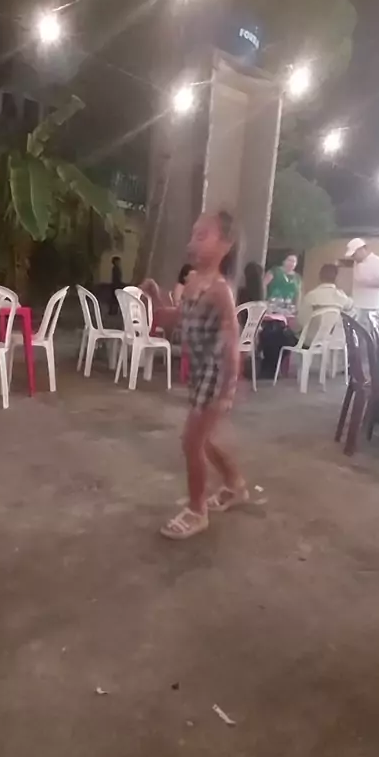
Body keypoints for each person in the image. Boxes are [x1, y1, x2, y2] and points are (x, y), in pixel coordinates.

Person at [161, 210, 247, 540]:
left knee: (191, 442)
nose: (191, 243)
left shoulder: (220, 291)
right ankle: (235, 485)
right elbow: (179, 319)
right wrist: (154, 300)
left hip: (216, 375)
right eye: (192, 235)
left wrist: (227, 390)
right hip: (199, 373)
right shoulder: (194, 281)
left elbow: (231, 344)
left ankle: (197, 510)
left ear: (225, 244)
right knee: (205, 439)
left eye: (201, 236)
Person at [344, 238, 379, 324]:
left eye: (354, 254)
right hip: (357, 304)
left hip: (370, 306)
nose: (353, 257)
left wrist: (365, 281)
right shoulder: (356, 263)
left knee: (367, 329)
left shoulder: (376, 261)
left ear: (361, 250)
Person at [299, 263, 353, 328]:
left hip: (313, 333)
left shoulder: (311, 296)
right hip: (335, 334)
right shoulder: (342, 297)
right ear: (336, 278)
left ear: (319, 277)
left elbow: (301, 321)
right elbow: (352, 309)